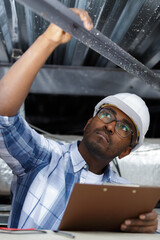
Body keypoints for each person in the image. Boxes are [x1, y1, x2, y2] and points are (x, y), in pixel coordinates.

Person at [0, 8, 158, 233]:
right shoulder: (44, 157)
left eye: (124, 127)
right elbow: (3, 119)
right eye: (106, 114)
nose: (110, 125)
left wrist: (149, 227)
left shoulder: (125, 198)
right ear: (88, 124)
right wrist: (48, 40)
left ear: (126, 152)